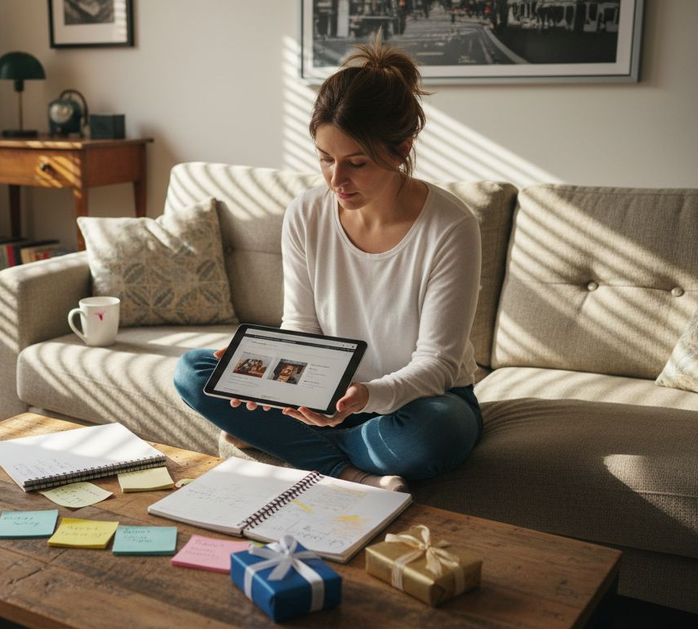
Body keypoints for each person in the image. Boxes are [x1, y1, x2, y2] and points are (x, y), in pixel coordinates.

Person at [173, 37, 483, 494]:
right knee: (195, 371)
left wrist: (365, 397)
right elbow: (301, 326)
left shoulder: (450, 226)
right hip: (322, 388)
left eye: (356, 163)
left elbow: (437, 364)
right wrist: (261, 368)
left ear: (400, 150)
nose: (337, 179)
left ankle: (294, 446)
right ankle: (347, 471)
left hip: (418, 401)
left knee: (436, 434)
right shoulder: (306, 213)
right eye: (325, 159)